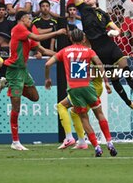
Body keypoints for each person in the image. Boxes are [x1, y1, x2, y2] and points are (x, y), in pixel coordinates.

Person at [59, 0, 133, 113]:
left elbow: (117, 29)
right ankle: (129, 103)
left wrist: (114, 33)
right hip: (98, 49)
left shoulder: (104, 14)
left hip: (109, 44)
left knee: (126, 68)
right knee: (114, 79)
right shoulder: (84, 9)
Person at [45, 28, 118, 157]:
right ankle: (109, 142)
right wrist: (106, 82)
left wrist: (47, 79)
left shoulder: (64, 51)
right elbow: (100, 64)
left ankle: (96, 147)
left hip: (74, 89)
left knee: (84, 118)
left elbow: (47, 64)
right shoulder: (88, 51)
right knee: (99, 113)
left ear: (71, 39)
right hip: (88, 86)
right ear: (83, 39)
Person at [5, 11, 66, 151]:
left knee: (35, 97)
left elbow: (42, 49)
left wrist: (61, 55)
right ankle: (15, 141)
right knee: (16, 107)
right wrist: (57, 33)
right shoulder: (19, 28)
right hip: (14, 71)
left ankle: (12, 88)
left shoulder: (25, 35)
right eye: (29, 18)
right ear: (22, 19)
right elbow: (37, 36)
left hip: (23, 72)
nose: (30, 20)